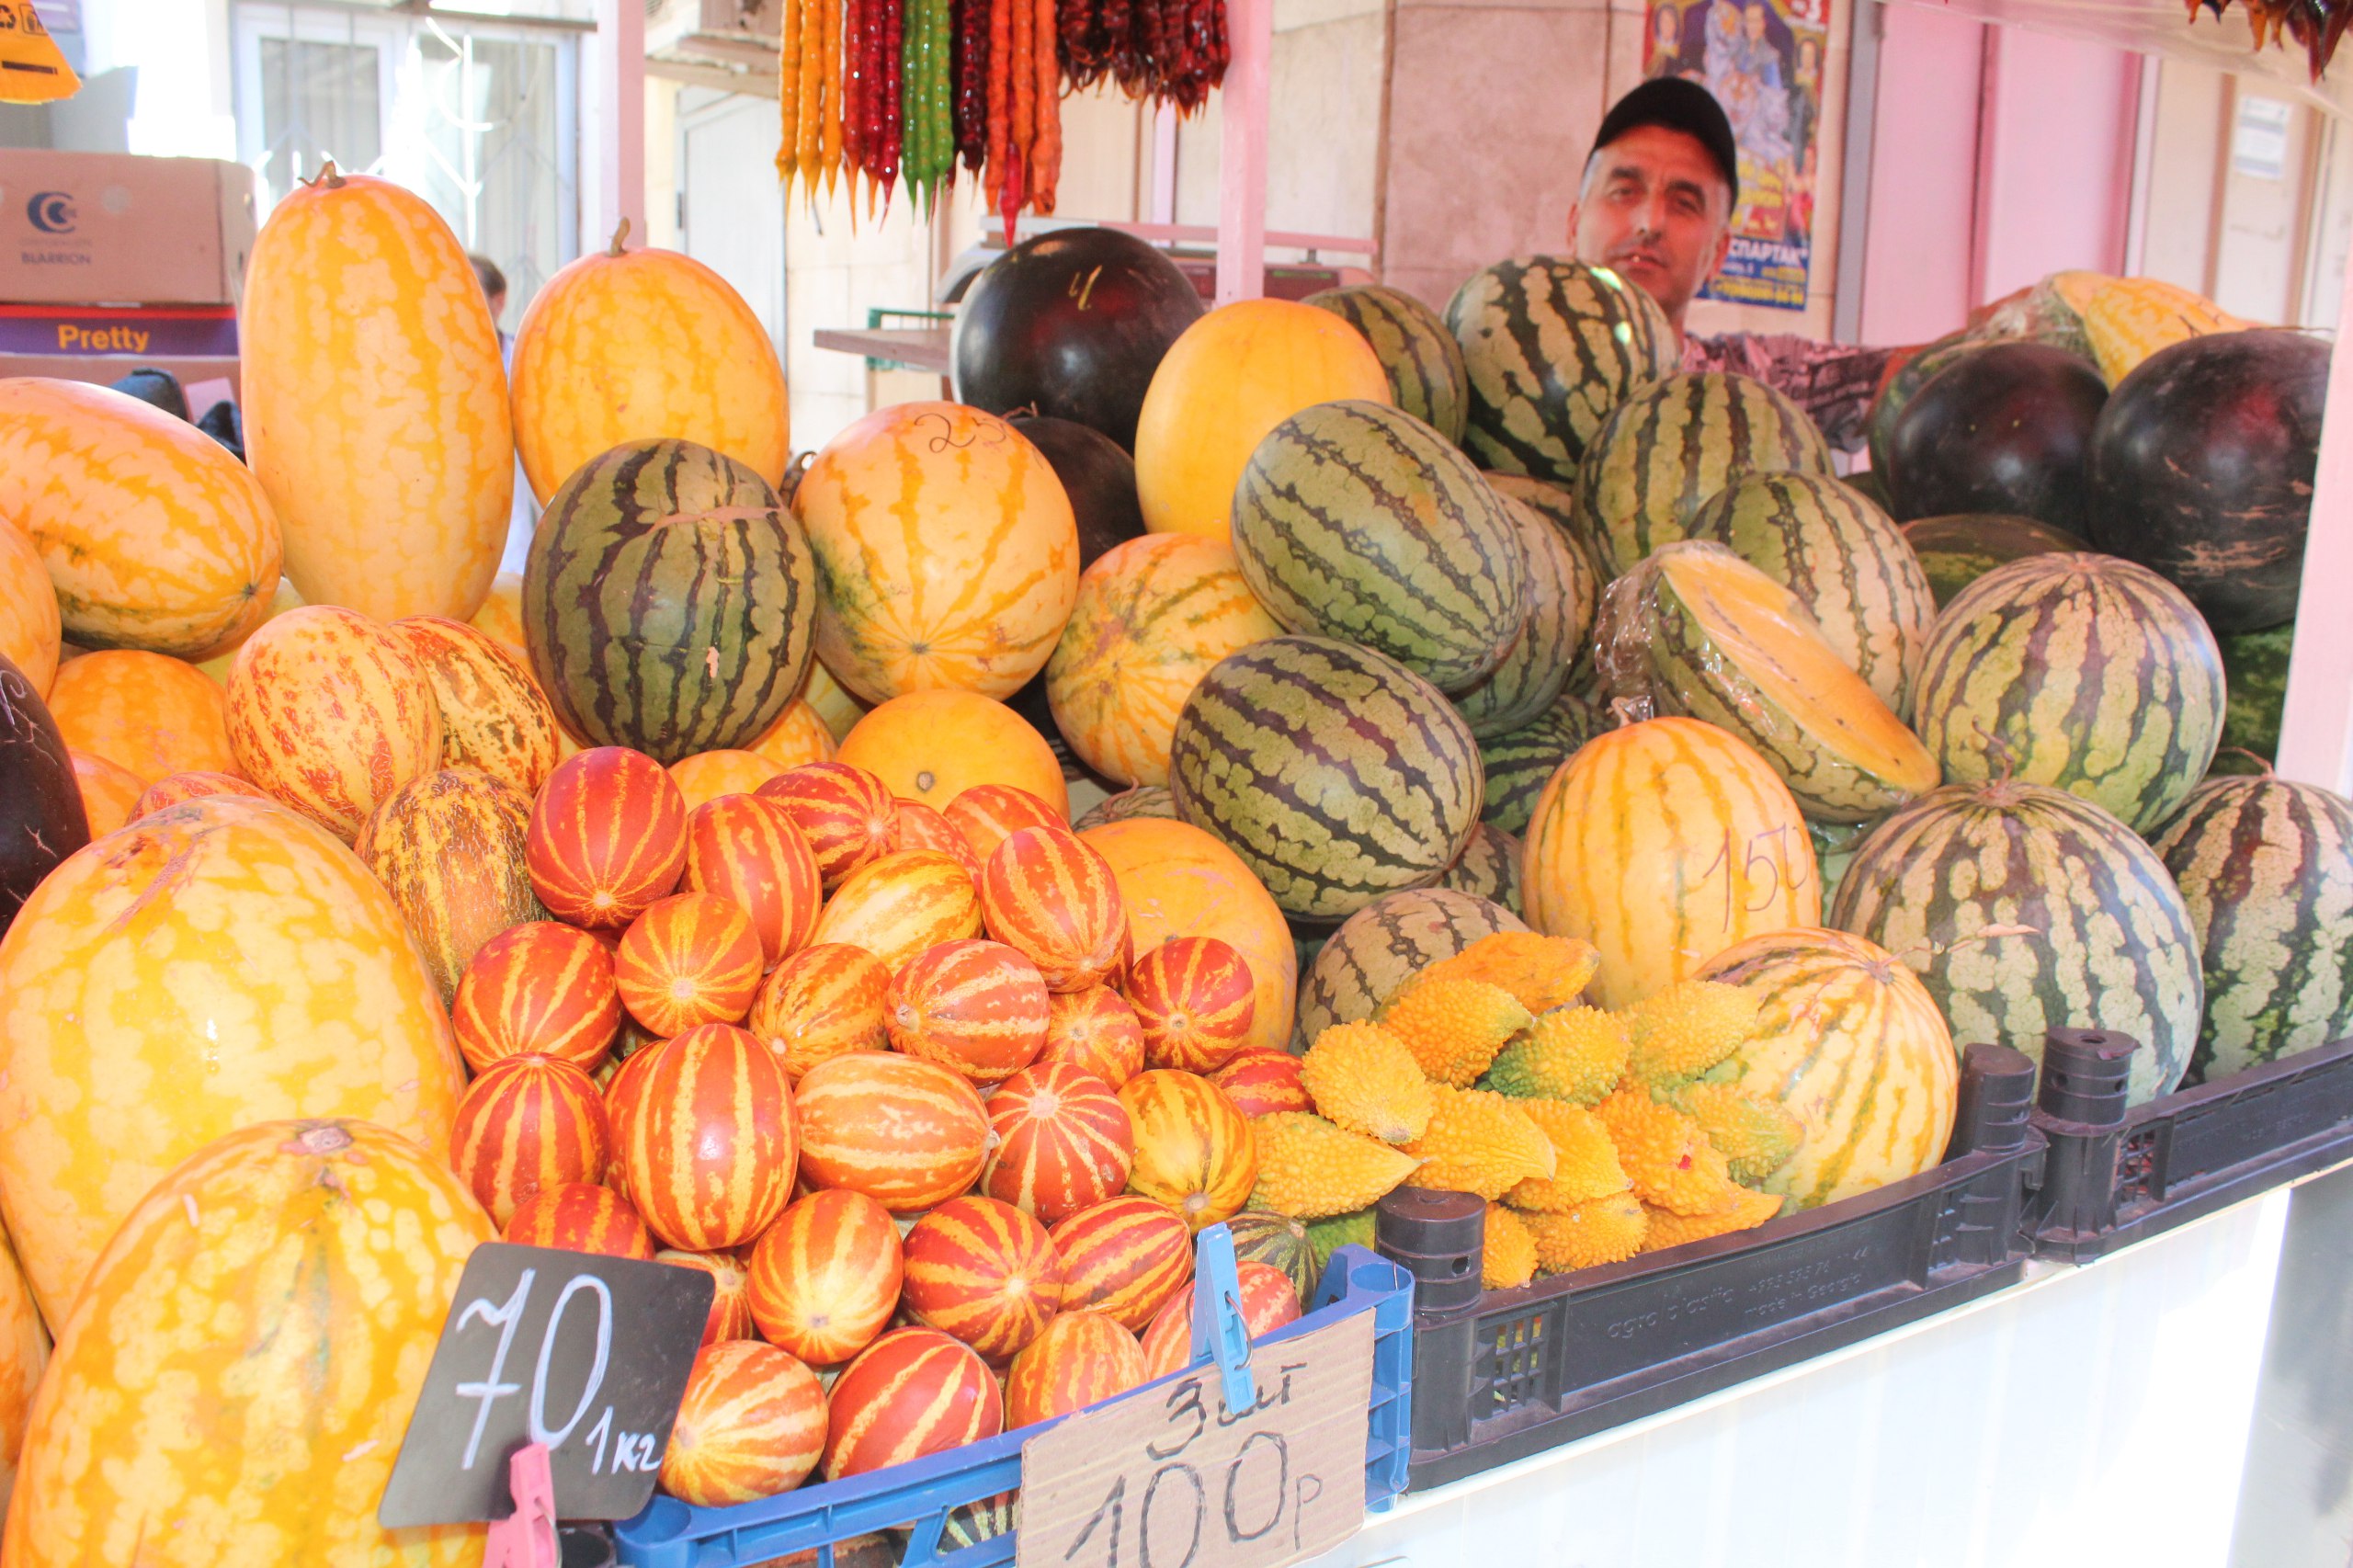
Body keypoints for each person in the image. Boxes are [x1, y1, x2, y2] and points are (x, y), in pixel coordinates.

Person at [1567, 77, 1891, 452]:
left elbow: (1910, 376)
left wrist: (1973, 340)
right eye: (1624, 192)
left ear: (1719, 253)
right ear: (1573, 224)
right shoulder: (1490, 357)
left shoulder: (1755, 382)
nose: (1650, 222)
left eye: (1683, 203)